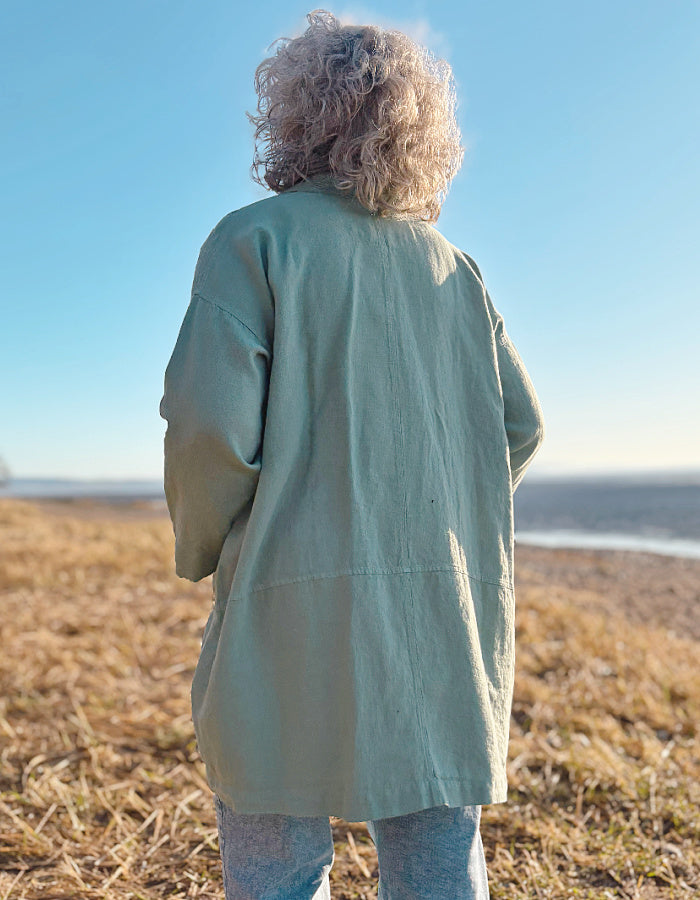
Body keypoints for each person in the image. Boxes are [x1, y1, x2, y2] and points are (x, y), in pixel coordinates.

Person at [160, 10, 544, 899]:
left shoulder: (252, 241)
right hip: (438, 611)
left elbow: (208, 431)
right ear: (419, 129)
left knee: (276, 850)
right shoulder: (456, 269)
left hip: (284, 596)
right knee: (437, 853)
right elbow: (519, 428)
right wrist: (444, 507)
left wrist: (204, 547)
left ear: (294, 116)